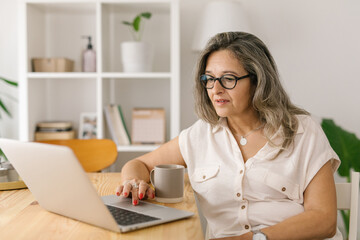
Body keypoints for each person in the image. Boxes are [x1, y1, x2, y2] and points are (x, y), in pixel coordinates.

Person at [115, 32, 342, 240]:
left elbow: (324, 219)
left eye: (229, 78)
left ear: (257, 81)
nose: (216, 89)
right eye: (209, 79)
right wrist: (133, 182)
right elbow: (140, 163)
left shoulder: (303, 131)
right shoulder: (200, 135)